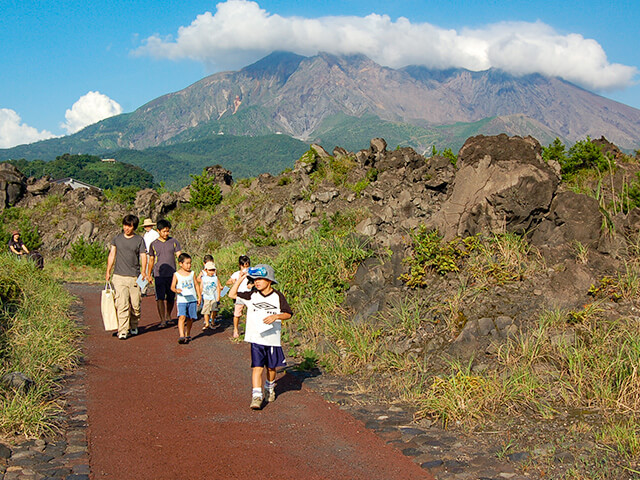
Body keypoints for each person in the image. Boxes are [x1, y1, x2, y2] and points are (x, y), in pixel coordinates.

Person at [229, 264, 293, 410]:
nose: (257, 282)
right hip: (256, 338)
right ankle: (256, 396)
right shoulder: (252, 295)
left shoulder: (278, 296)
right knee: (257, 367)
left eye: (260, 279)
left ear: (269, 281)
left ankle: (269, 387)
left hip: (272, 339)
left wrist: (276, 316)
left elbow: (288, 313)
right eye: (255, 279)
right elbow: (232, 295)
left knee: (271, 368)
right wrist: (240, 279)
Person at [105, 215, 147, 340]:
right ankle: (122, 330)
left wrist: (144, 271)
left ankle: (133, 325)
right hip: (119, 276)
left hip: (134, 276)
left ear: (134, 227)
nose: (126, 228)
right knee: (121, 304)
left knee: (135, 305)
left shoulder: (139, 240)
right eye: (125, 225)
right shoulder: (117, 239)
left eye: (129, 226)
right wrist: (108, 271)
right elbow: (112, 254)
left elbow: (143, 255)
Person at [147, 219, 181, 328]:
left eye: (167, 231)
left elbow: (179, 256)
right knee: (160, 297)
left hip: (172, 274)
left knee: (171, 297)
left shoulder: (174, 242)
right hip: (159, 275)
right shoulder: (153, 244)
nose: (166, 233)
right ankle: (162, 320)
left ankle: (168, 315)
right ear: (158, 231)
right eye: (164, 231)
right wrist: (148, 274)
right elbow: (151, 260)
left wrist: (184, 270)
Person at [171, 253, 201, 344]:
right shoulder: (176, 274)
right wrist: (176, 290)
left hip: (192, 299)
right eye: (187, 263)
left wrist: (199, 296)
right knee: (182, 316)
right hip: (182, 300)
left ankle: (188, 333)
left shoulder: (192, 273)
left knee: (190, 318)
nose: (189, 265)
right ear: (180, 263)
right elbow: (172, 287)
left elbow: (196, 285)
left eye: (190, 263)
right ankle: (181, 335)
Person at [226, 255, 251, 339]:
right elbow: (228, 282)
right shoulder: (236, 274)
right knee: (237, 314)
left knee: (250, 312)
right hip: (238, 295)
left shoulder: (251, 274)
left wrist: (252, 284)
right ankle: (235, 329)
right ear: (240, 265)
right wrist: (232, 281)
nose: (245, 268)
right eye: (244, 266)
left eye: (247, 266)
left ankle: (249, 329)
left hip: (249, 295)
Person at [198, 260, 222, 330]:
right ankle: (207, 323)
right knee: (206, 311)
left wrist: (218, 296)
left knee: (214, 309)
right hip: (206, 297)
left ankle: (213, 320)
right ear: (206, 270)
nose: (212, 272)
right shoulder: (203, 278)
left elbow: (218, 287)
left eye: (213, 270)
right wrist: (199, 296)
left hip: (214, 297)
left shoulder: (215, 278)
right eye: (210, 270)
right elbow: (201, 287)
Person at [141, 218, 159, 295]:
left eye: (148, 226)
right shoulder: (146, 234)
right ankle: (143, 290)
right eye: (146, 226)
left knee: (154, 272)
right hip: (146, 254)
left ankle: (158, 290)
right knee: (145, 272)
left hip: (153, 255)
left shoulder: (155, 234)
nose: (147, 227)